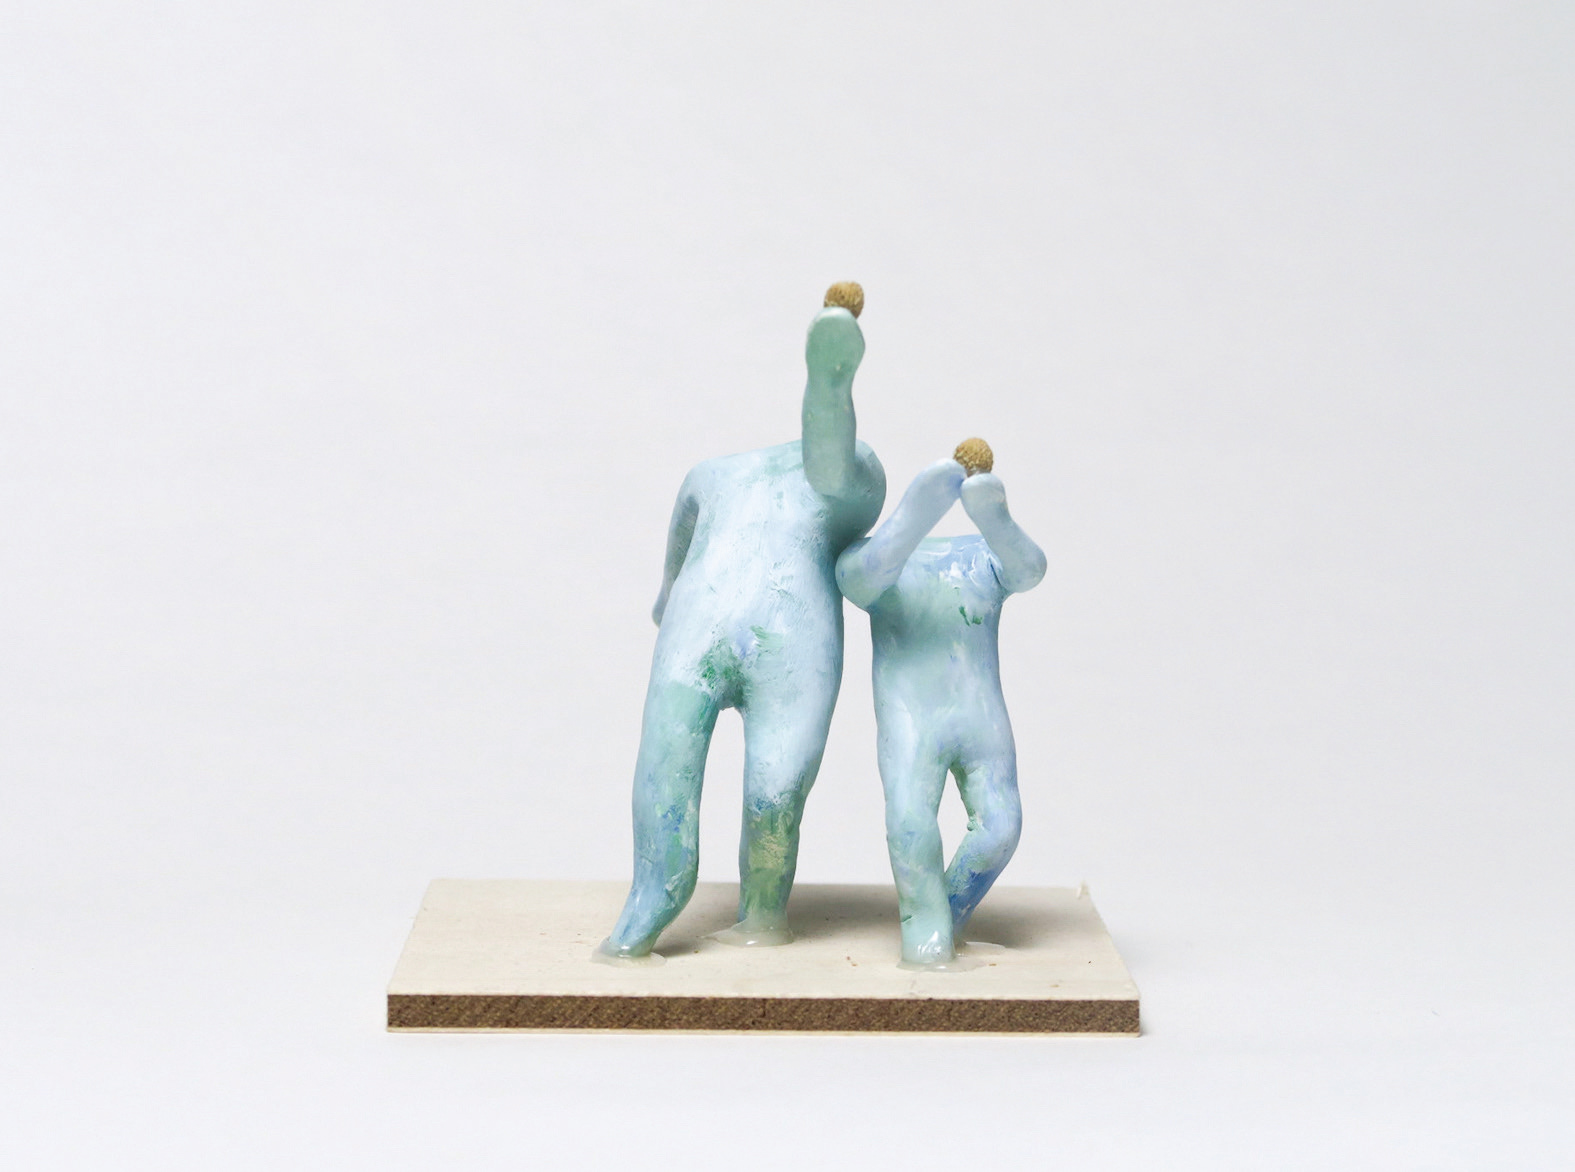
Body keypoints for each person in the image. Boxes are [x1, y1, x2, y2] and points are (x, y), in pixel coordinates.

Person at [598, 285, 886, 959]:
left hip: (714, 621)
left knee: (688, 769)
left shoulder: (723, 474)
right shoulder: (720, 474)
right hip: (786, 631)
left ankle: (670, 905)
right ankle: (746, 912)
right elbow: (680, 547)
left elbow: (676, 557)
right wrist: (667, 594)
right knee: (765, 785)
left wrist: (665, 600)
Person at [835, 439, 1045, 967]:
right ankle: (927, 938)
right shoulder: (870, 562)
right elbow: (860, 579)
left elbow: (1030, 568)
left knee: (1000, 828)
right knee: (910, 822)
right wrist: (918, 510)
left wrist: (992, 516)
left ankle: (940, 921)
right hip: (911, 719)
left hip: (980, 714)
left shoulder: (984, 560)